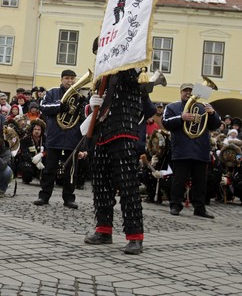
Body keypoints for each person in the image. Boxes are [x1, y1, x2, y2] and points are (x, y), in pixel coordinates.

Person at [83, 68, 155, 255]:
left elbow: (149, 108)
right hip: (101, 133)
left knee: (127, 186)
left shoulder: (129, 71)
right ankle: (104, 230)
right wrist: (91, 105)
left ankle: (135, 237)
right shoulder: (102, 77)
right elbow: (93, 111)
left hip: (122, 131)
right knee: (100, 185)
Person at [163, 83, 221, 219]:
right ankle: (175, 205)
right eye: (185, 91)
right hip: (182, 150)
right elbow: (165, 123)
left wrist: (212, 114)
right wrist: (181, 118)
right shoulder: (172, 107)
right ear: (180, 92)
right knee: (179, 180)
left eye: (190, 91)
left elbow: (216, 125)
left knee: (200, 182)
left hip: (200, 150)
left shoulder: (202, 107)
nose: (188, 93)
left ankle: (200, 208)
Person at [35, 69, 84, 209]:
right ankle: (44, 196)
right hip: (55, 136)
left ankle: (69, 198)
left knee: (71, 170)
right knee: (50, 168)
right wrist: (60, 106)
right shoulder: (52, 92)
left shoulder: (79, 96)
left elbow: (84, 116)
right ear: (62, 79)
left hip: (72, 137)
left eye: (72, 79)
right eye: (67, 78)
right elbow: (43, 107)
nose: (70, 81)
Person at [17, 119, 47, 184]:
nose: (37, 131)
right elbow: (24, 153)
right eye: (35, 129)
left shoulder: (45, 139)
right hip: (29, 161)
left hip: (42, 162)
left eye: (39, 130)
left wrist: (42, 155)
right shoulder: (26, 139)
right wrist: (33, 160)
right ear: (32, 130)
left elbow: (49, 150)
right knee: (26, 171)